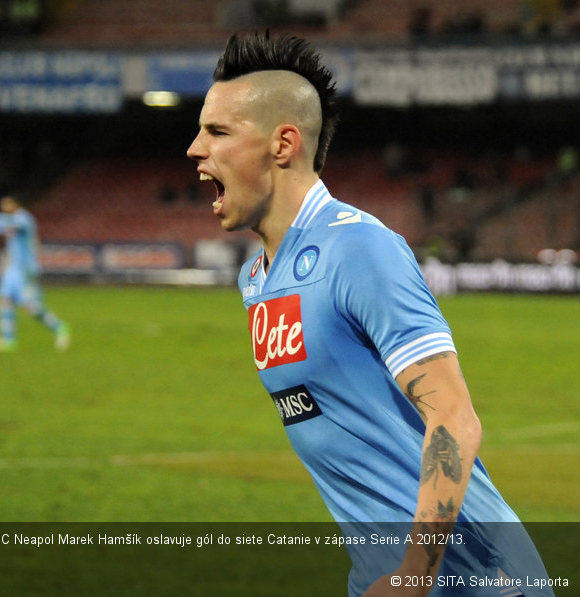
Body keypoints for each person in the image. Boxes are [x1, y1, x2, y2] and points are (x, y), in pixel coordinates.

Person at [187, 32, 552, 596]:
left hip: (476, 580)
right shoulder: (256, 280)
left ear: (283, 144)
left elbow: (453, 417)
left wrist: (415, 574)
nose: (195, 148)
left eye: (217, 131)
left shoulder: (358, 248)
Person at [0, 195, 69, 352]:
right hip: (13, 269)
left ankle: (60, 328)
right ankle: (8, 341)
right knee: (5, 301)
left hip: (26, 269)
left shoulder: (25, 219)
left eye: (7, 203)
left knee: (31, 308)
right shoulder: (10, 219)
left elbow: (12, 224)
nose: (4, 206)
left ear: (16, 204)